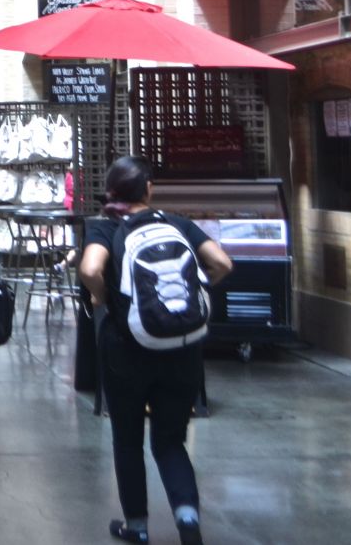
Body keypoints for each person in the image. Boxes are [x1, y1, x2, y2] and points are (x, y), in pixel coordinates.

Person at [78, 157, 233, 545]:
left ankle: (137, 526)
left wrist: (102, 301)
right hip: (182, 347)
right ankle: (188, 522)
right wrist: (196, 293)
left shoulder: (105, 226)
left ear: (112, 191)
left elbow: (90, 269)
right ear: (149, 188)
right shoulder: (176, 224)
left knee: (127, 439)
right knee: (170, 440)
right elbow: (223, 263)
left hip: (125, 349)